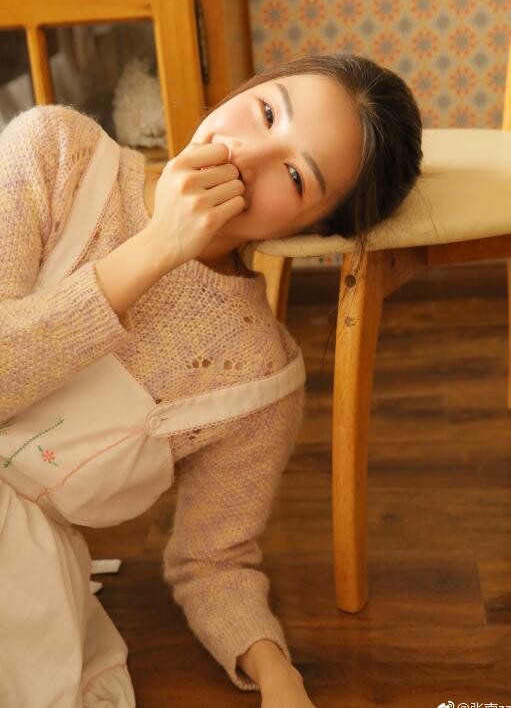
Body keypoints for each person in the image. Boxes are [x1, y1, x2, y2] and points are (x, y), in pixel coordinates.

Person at [0, 52, 422, 708]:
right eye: (266, 112)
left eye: (294, 175)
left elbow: (213, 562)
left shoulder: (258, 377)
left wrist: (278, 676)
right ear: (247, 87)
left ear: (311, 230)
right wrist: (156, 248)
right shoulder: (54, 151)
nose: (247, 156)